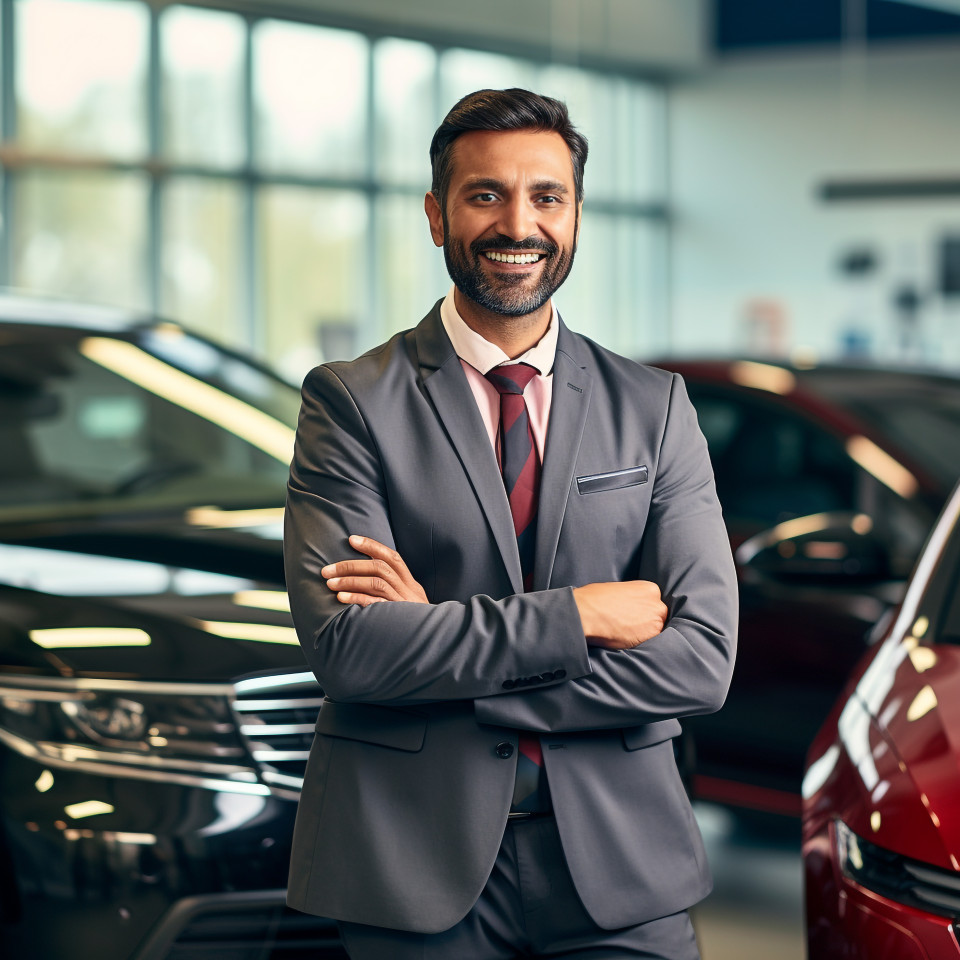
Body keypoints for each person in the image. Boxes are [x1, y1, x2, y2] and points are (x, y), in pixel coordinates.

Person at [284, 88, 738, 959]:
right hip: (411, 862)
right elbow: (349, 649)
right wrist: (579, 617)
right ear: (436, 214)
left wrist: (443, 650)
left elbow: (703, 659)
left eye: (546, 196)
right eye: (485, 194)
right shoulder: (351, 402)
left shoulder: (654, 407)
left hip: (621, 862)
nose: (518, 224)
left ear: (576, 215)